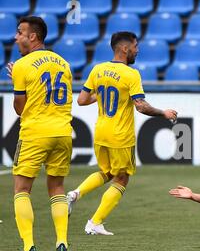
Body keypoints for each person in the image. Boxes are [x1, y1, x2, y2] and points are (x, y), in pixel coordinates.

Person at [67, 31, 177, 235]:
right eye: (135, 46)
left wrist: (100, 94)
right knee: (122, 178)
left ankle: (75, 193)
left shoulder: (98, 69)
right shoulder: (131, 74)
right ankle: (95, 222)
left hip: (101, 132)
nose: (137, 50)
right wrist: (164, 113)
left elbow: (81, 100)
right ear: (125, 48)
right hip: (120, 135)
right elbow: (141, 107)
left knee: (108, 173)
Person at [10, 16, 73, 251]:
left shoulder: (23, 66)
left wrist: (16, 75)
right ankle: (62, 244)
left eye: (19, 33)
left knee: (22, 190)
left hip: (35, 133)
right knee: (57, 188)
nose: (16, 37)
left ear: (32, 37)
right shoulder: (64, 63)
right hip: (63, 133)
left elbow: (19, 108)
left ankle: (29, 248)